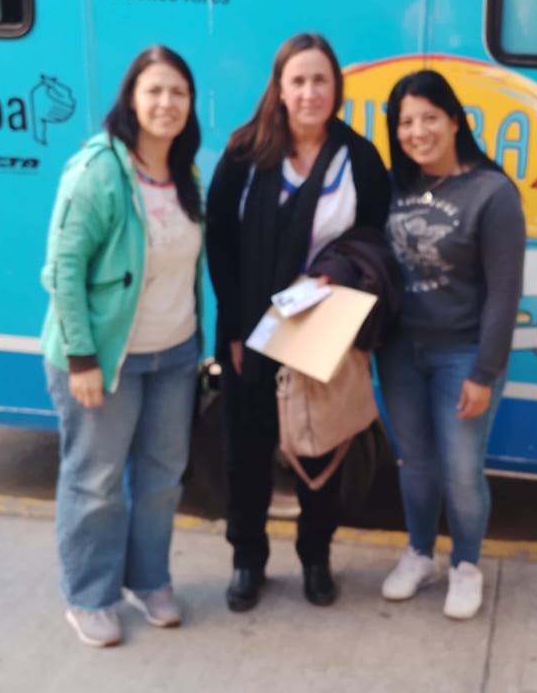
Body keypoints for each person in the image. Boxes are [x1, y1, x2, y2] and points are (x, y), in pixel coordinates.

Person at [204, 32, 391, 612]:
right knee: (247, 451)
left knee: (321, 451)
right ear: (280, 89)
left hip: (322, 331)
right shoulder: (244, 155)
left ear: (336, 88)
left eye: (320, 80)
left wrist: (341, 276)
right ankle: (247, 561)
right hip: (250, 331)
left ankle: (316, 557)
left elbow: (375, 242)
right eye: (299, 80)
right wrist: (234, 330)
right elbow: (220, 244)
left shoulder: (359, 159)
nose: (310, 92)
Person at [38, 46, 205, 648]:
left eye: (178, 92)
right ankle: (90, 596)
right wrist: (82, 359)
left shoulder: (185, 175)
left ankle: (149, 579)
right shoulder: (98, 171)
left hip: (175, 354)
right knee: (96, 481)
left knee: (162, 479)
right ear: (131, 98)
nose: (166, 103)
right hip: (106, 360)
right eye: (154, 90)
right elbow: (63, 269)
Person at [374, 70, 524, 621]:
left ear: (455, 120)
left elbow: (505, 292)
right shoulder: (393, 186)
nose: (418, 132)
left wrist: (484, 372)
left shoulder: (492, 193)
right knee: (415, 463)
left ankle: (465, 565)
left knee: (461, 470)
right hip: (399, 353)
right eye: (406, 122)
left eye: (429, 118)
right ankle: (420, 554)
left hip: (463, 354)